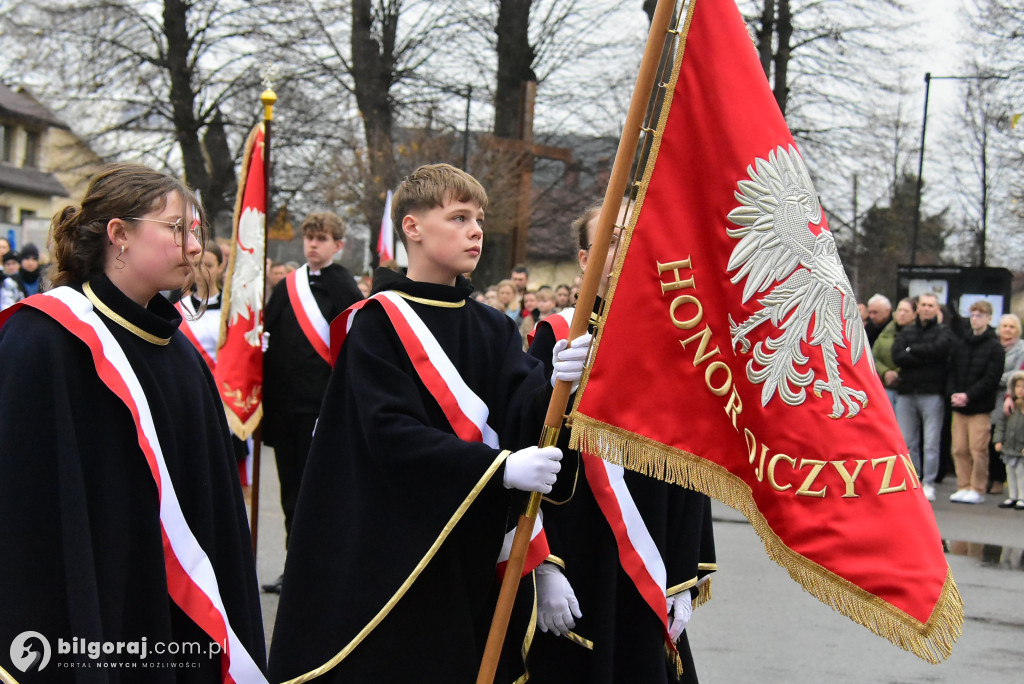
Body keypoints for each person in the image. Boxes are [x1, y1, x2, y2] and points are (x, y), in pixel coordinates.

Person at [268, 163, 584, 683]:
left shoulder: (494, 327)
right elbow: (389, 433)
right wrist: (499, 468)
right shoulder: (376, 323)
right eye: (458, 217)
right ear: (412, 227)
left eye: (479, 218)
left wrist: (558, 385)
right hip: (395, 552)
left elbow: (523, 413)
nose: (476, 229)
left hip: (470, 549)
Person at [0, 164, 266, 679]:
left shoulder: (181, 356)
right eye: (176, 228)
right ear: (119, 235)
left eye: (196, 232)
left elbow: (211, 518)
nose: (193, 248)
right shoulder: (44, 340)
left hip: (171, 618)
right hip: (85, 606)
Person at [527, 203, 716, 684]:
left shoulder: (678, 344)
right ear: (585, 258)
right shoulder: (554, 335)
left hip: (650, 546)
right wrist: (544, 564)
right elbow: (529, 448)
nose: (624, 246)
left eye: (633, 236)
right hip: (579, 548)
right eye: (611, 239)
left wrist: (681, 577)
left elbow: (692, 467)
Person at [261, 211, 363, 594]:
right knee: (290, 490)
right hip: (286, 408)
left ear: (338, 244)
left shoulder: (345, 287)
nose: (313, 245)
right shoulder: (288, 286)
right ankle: (294, 565)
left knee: (318, 492)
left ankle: (322, 568)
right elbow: (267, 335)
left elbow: (354, 348)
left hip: (322, 411)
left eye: (321, 239)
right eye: (309, 238)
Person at [892, 292, 954, 502]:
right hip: (907, 392)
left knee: (931, 443)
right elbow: (897, 355)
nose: (926, 308)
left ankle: (929, 482)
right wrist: (923, 356)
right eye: (923, 305)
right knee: (908, 441)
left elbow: (940, 350)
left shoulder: (943, 331)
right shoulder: (906, 331)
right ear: (917, 308)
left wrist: (913, 351)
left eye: (931, 305)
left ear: (937, 309)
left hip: (932, 393)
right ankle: (913, 479)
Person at [946, 299, 1003, 504]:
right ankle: (963, 485)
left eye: (980, 315)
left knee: (978, 449)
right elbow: (952, 371)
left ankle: (977, 487)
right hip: (959, 406)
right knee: (959, 448)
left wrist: (969, 395)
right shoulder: (962, 344)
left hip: (979, 407)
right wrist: (953, 393)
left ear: (989, 318)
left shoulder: (995, 347)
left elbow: (991, 378)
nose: (975, 319)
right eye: (972, 315)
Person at [989, 313, 1024, 494]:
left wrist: (992, 378)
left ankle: (999, 480)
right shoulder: (993, 346)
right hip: (989, 396)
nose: (1008, 330)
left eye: (1012, 327)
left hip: (1010, 396)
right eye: (1005, 326)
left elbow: (1017, 375)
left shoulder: (1021, 348)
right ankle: (988, 478)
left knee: (1006, 437)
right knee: (991, 438)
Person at [873, 297, 916, 409]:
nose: (901, 314)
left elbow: (914, 356)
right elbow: (874, 356)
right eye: (899, 310)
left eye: (906, 311)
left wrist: (896, 373)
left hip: (906, 386)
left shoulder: (917, 333)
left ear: (914, 314)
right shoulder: (886, 332)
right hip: (884, 385)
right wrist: (885, 372)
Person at [993, 371, 1024, 509]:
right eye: (1017, 386)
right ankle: (1013, 496)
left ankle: (1022, 497)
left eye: (1023, 387)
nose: (1020, 390)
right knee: (1010, 472)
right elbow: (1001, 425)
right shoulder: (1010, 407)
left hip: (1020, 449)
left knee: (1020, 473)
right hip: (1009, 447)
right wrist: (998, 440)